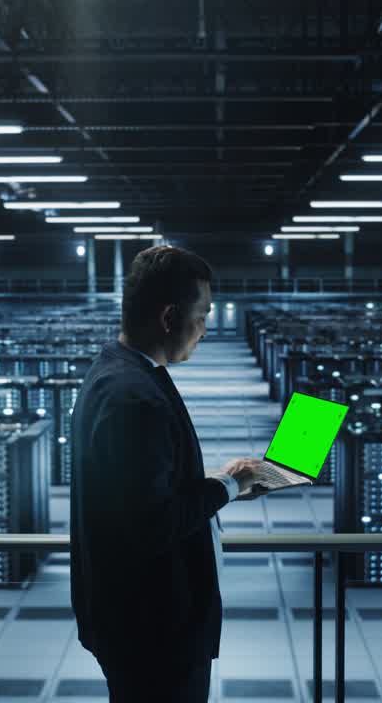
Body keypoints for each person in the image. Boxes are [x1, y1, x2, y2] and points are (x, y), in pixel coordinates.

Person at [69, 245, 268, 702]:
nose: (204, 331)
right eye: (202, 316)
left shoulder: (122, 373)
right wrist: (229, 485)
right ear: (169, 317)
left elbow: (139, 492)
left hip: (138, 624)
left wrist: (225, 483)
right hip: (154, 630)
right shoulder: (132, 397)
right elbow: (150, 523)